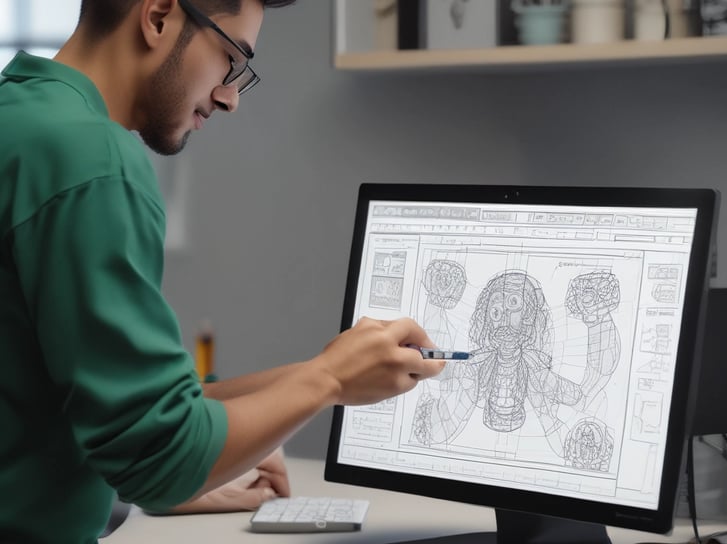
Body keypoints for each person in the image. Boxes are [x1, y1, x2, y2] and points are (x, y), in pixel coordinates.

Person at [0, 0, 445, 542]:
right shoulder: (93, 160)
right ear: (158, 16)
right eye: (231, 59)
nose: (230, 97)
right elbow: (158, 456)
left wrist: (337, 366)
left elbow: (88, 404)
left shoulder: (19, 114)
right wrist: (328, 379)